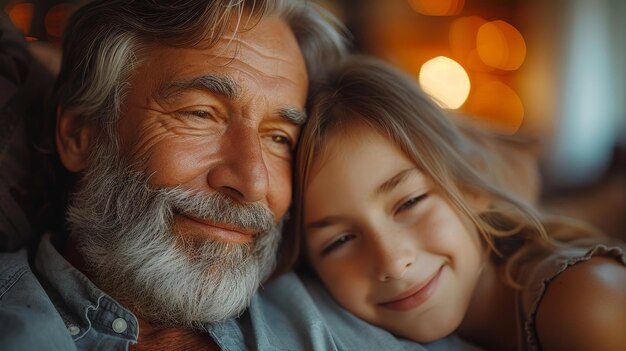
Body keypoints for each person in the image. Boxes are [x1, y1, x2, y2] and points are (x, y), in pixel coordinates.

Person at [0, 1, 483, 350]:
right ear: (80, 135)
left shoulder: (355, 313)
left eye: (278, 138)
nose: (252, 183)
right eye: (200, 114)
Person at [285, 55, 626, 351]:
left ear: (471, 185)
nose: (392, 261)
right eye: (340, 241)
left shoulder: (588, 305)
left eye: (410, 202)